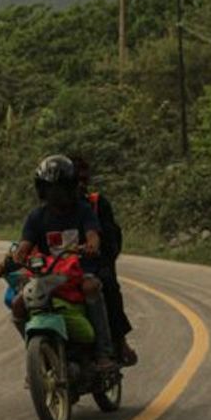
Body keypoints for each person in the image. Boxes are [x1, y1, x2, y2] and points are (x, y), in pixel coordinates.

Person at [0, 154, 117, 372]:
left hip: (79, 271)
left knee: (92, 287)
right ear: (41, 190)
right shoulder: (36, 217)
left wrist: (91, 245)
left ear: (70, 188)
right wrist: (7, 263)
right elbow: (24, 247)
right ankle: (37, 354)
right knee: (19, 304)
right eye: (48, 188)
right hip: (47, 275)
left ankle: (103, 352)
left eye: (58, 188)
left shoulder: (83, 210)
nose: (54, 194)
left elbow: (93, 235)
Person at [70, 155, 138, 367]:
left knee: (107, 284)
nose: (80, 185)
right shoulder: (50, 209)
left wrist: (97, 253)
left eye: (83, 179)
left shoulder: (95, 205)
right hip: (60, 267)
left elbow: (109, 239)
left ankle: (117, 342)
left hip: (93, 264)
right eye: (75, 180)